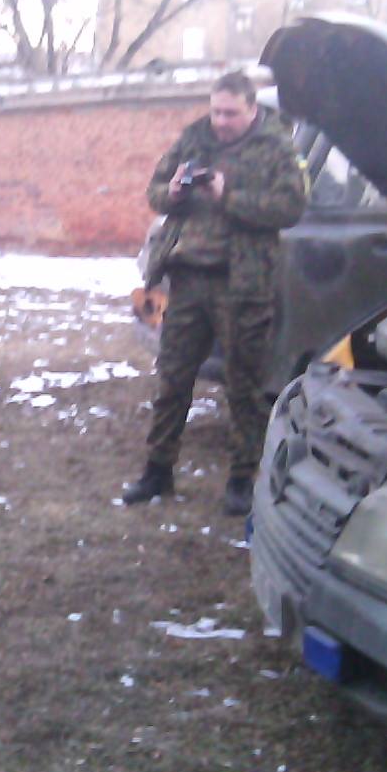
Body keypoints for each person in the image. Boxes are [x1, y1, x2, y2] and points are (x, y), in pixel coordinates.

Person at [124, 70, 307, 516]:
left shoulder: (276, 147)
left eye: (230, 114)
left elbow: (290, 208)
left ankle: (242, 478)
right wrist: (171, 192)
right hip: (188, 278)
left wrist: (228, 195)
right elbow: (154, 192)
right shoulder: (194, 138)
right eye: (216, 112)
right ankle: (158, 470)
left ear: (252, 110)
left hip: (241, 283)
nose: (220, 122)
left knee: (244, 386)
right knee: (172, 380)